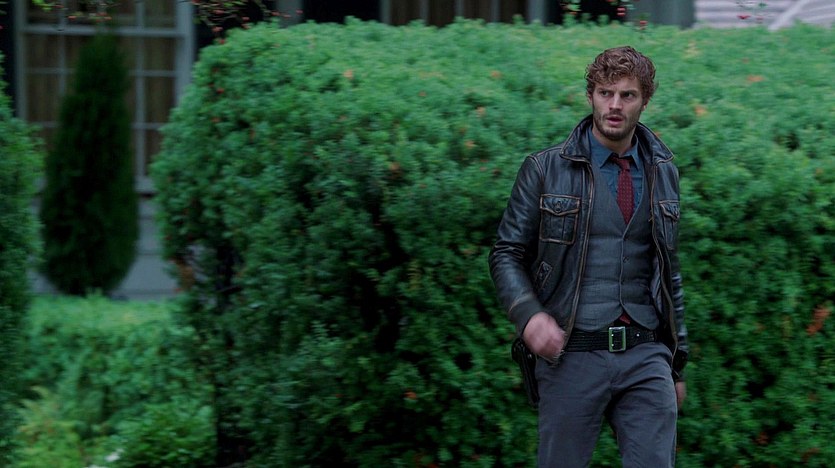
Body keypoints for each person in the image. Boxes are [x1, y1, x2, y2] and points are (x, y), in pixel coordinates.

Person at [488, 46, 689, 467]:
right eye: (605, 93)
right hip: (572, 353)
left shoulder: (664, 172)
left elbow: (669, 272)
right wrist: (529, 316)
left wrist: (676, 364)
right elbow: (506, 253)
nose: (614, 105)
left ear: (645, 100)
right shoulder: (545, 169)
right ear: (591, 96)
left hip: (646, 353)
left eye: (627, 95)